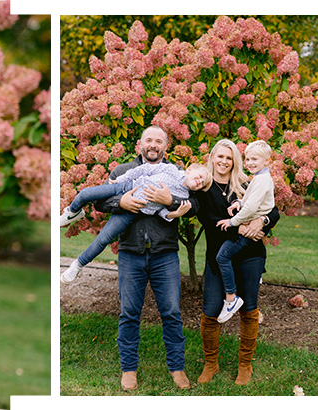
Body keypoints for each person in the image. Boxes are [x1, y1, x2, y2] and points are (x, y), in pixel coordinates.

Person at [89, 125, 192, 390]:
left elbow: (195, 203)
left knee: (171, 311)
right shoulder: (122, 171)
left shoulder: (176, 173)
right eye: (149, 140)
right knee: (129, 312)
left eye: (159, 141)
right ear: (140, 144)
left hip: (165, 254)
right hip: (131, 254)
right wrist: (120, 203)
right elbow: (99, 201)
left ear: (165, 146)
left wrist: (170, 201)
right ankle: (129, 369)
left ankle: (177, 368)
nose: (153, 145)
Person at [194, 138, 279, 386]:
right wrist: (242, 228)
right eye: (219, 156)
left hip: (250, 256)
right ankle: (211, 363)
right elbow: (210, 221)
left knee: (249, 309)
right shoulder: (202, 188)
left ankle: (245, 364)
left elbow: (273, 211)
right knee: (210, 311)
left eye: (229, 157)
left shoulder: (247, 182)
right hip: (218, 259)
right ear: (211, 157)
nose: (224, 161)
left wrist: (261, 223)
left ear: (235, 161)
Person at [58, 162, 211, 282]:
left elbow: (161, 211)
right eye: (199, 177)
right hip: (126, 186)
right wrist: (119, 180)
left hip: (134, 210)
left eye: (202, 184)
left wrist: (175, 213)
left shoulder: (183, 197)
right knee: (85, 193)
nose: (199, 182)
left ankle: (78, 265)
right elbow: (143, 170)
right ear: (190, 170)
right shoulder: (170, 170)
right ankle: (72, 212)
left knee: (103, 239)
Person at [212, 140, 275, 323]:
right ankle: (247, 283)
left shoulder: (261, 180)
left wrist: (233, 222)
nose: (250, 163)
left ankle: (231, 298)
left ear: (266, 161)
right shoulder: (257, 178)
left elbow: (252, 209)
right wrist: (238, 203)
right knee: (223, 256)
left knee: (223, 257)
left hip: (247, 234)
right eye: (247, 159)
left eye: (255, 159)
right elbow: (249, 201)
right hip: (246, 229)